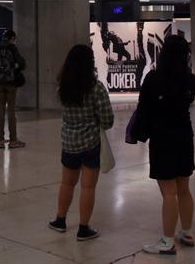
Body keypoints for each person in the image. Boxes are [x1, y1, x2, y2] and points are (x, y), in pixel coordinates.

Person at [138, 34, 195, 255]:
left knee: (169, 192)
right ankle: (187, 231)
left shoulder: (154, 79)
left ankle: (167, 240)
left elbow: (144, 108)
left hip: (163, 138)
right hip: (184, 136)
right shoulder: (191, 80)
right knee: (184, 188)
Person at [48, 45, 114, 241]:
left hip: (69, 142)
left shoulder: (62, 86)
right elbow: (108, 120)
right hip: (90, 144)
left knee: (67, 183)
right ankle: (84, 228)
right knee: (87, 188)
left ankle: (60, 220)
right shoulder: (96, 88)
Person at [0, 30, 26, 149]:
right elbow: (22, 63)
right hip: (11, 84)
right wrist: (15, 67)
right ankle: (13, 140)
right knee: (11, 112)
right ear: (12, 38)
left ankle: (0, 140)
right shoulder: (12, 48)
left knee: (0, 111)